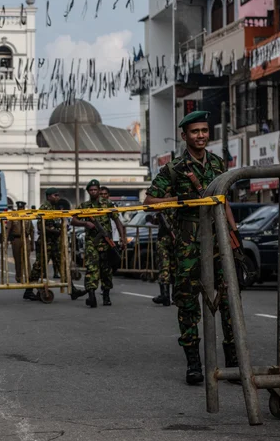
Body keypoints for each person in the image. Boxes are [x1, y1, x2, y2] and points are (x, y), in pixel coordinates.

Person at [144, 110, 241, 385]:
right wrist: (180, 198)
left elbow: (223, 203)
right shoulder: (174, 169)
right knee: (187, 304)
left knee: (229, 301)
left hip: (218, 240)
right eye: (195, 132)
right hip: (187, 244)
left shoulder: (219, 164)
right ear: (184, 135)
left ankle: (233, 361)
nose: (201, 136)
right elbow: (150, 200)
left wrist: (235, 236)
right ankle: (194, 363)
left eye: (204, 131)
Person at [72, 180, 126, 308]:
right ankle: (92, 297)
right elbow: (73, 220)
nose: (93, 192)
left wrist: (122, 237)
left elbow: (117, 221)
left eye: (95, 190)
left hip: (107, 241)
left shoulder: (107, 204)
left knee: (106, 269)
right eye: (91, 190)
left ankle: (106, 296)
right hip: (92, 242)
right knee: (91, 268)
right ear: (88, 192)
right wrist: (85, 223)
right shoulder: (84, 206)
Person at [149, 209, 175, 305]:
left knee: (167, 267)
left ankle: (167, 295)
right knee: (166, 267)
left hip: (171, 239)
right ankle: (166, 296)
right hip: (166, 239)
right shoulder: (163, 207)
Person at [6, 201, 34, 283]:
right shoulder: (13, 216)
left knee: (27, 259)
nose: (21, 209)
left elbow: (32, 230)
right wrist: (6, 241)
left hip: (26, 239)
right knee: (18, 259)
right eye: (19, 208)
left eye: (22, 208)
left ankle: (29, 276)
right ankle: (19, 276)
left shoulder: (28, 216)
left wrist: (32, 242)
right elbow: (8, 229)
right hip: (16, 240)